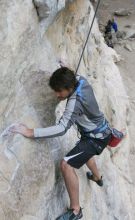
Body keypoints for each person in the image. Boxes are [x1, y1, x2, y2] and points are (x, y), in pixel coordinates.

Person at [10, 67, 122, 220]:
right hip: (100, 132)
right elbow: (71, 75)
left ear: (69, 88)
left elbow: (62, 128)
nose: (57, 95)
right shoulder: (81, 80)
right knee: (84, 153)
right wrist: (63, 69)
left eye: (59, 91)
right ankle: (97, 177)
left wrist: (31, 132)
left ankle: (76, 210)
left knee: (66, 165)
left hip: (94, 139)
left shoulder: (75, 102)